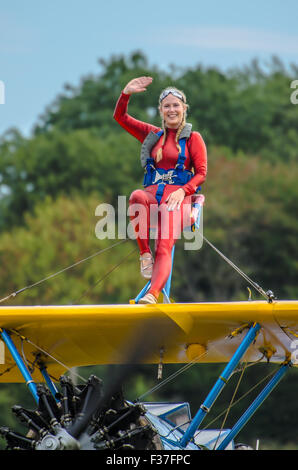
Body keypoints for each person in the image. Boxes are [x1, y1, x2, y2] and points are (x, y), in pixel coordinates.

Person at [113, 76, 207, 304]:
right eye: (167, 106)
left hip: (178, 202)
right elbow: (120, 117)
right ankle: (145, 255)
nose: (172, 110)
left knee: (164, 245)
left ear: (184, 109)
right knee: (136, 195)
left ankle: (152, 294)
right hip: (152, 199)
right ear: (160, 110)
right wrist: (125, 94)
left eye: (176, 105)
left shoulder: (194, 138)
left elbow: (201, 172)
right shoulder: (152, 135)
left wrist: (183, 191)